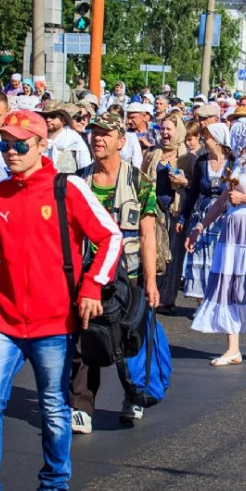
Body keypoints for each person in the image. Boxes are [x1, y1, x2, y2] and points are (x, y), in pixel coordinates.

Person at [0, 109, 122, 491]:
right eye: (4, 144)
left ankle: (52, 490)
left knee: (54, 409)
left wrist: (92, 287)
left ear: (43, 146)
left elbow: (110, 236)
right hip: (2, 322)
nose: (11, 152)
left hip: (52, 324)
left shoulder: (68, 188)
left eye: (20, 144)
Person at [70, 113, 159, 431]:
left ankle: (133, 395)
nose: (98, 138)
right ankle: (81, 405)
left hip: (128, 272)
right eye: (94, 133)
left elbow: (148, 234)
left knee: (129, 336)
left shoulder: (139, 181)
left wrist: (151, 281)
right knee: (83, 339)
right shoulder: (78, 181)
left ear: (122, 141)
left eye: (106, 134)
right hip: (88, 273)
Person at [187, 120, 246, 365]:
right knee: (226, 286)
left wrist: (245, 197)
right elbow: (222, 202)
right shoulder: (237, 164)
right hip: (231, 228)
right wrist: (200, 226)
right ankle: (232, 349)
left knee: (242, 286)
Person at [143, 114, 193, 313]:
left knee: (173, 255)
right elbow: (143, 179)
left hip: (176, 211)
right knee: (153, 252)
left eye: (169, 129)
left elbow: (194, 186)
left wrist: (184, 182)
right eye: (162, 129)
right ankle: (150, 292)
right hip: (154, 209)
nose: (164, 133)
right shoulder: (151, 154)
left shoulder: (187, 157)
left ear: (178, 131)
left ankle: (167, 299)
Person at [178, 122, 231, 305]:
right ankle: (202, 304)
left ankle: (219, 301)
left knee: (220, 259)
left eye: (206, 137)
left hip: (224, 216)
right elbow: (193, 193)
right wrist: (183, 216)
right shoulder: (201, 163)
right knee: (200, 258)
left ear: (217, 140)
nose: (203, 139)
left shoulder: (232, 161)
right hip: (202, 214)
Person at [40, 100, 91, 173]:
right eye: (45, 117)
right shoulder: (38, 139)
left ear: (63, 120)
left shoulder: (74, 139)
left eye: (53, 116)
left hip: (67, 182)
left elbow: (85, 167)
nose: (48, 120)